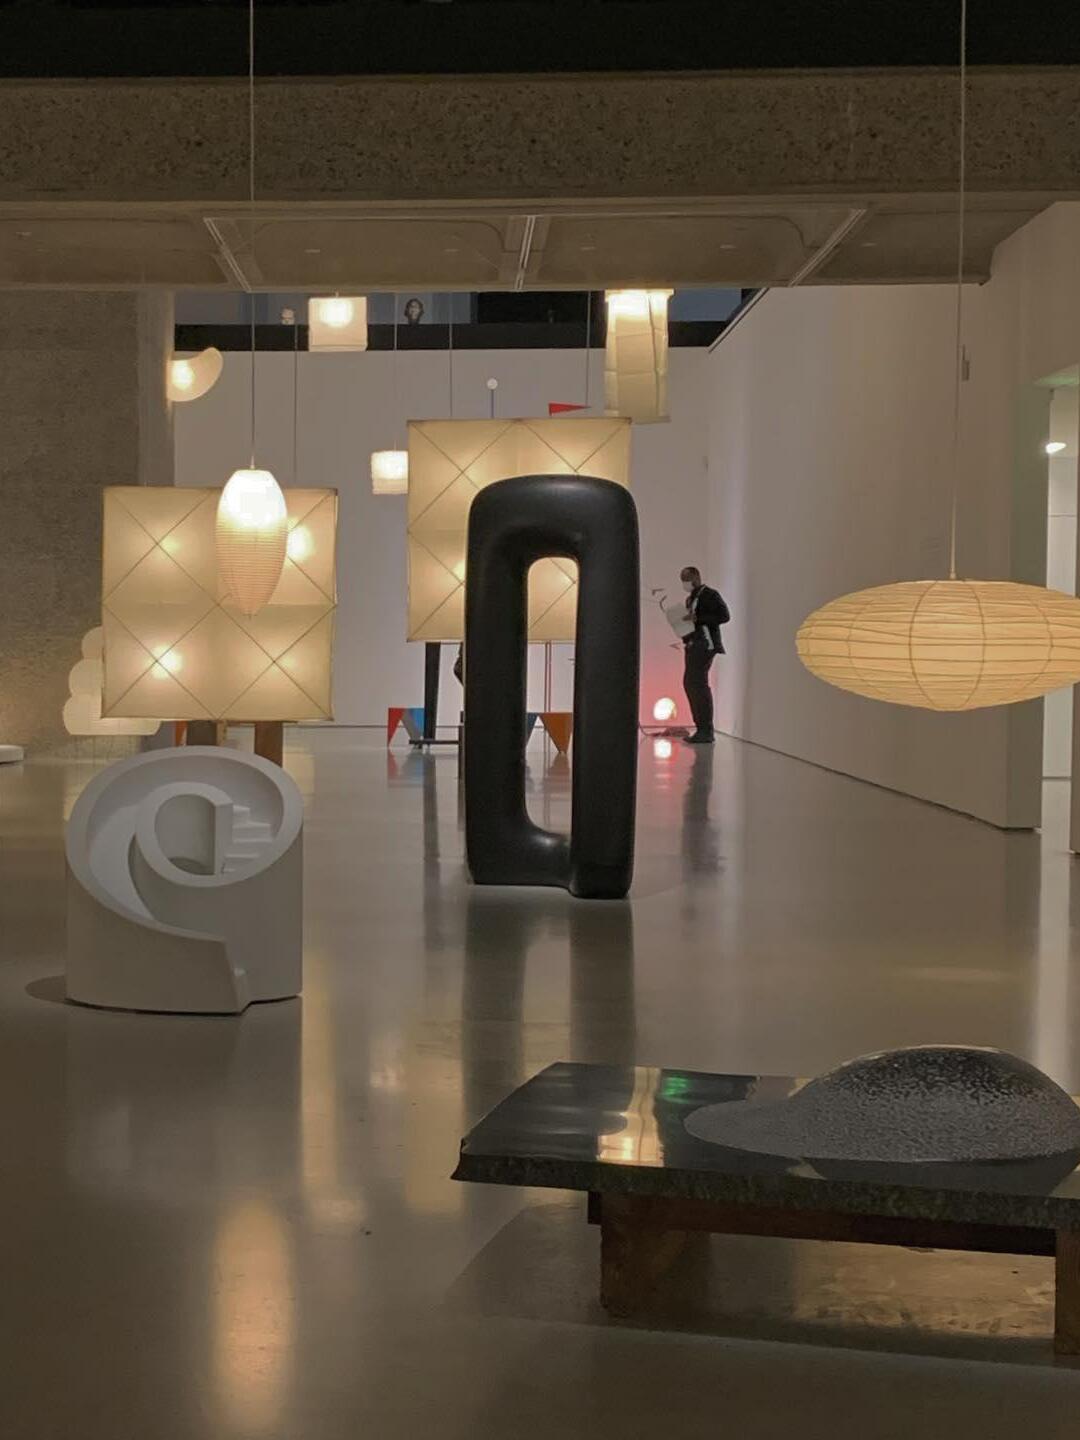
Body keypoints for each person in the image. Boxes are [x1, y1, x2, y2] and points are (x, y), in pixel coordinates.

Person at [679, 565, 730, 744]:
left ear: (696, 578)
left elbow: (724, 616)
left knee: (698, 684)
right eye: (683, 580)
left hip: (706, 645)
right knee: (690, 683)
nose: (685, 583)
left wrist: (698, 619)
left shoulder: (710, 595)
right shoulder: (690, 599)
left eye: (687, 579)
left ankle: (706, 730)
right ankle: (701, 727)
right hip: (693, 645)